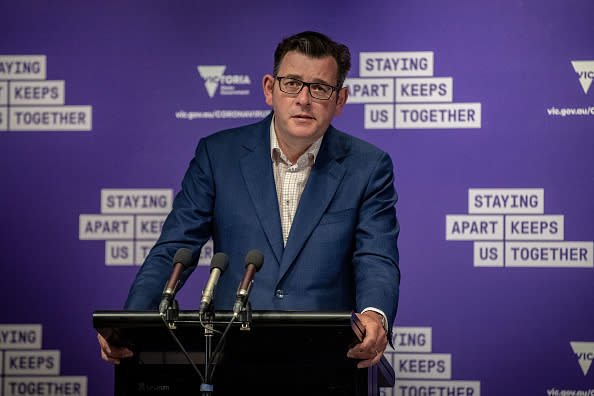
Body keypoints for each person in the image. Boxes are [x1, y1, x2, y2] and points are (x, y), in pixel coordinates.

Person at [98, 31, 400, 370]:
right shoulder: (218, 155)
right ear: (270, 89)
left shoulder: (368, 166)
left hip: (327, 357)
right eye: (292, 84)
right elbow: (175, 247)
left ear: (340, 100)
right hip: (231, 352)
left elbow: (376, 256)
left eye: (319, 88)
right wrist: (134, 320)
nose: (304, 99)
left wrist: (375, 315)